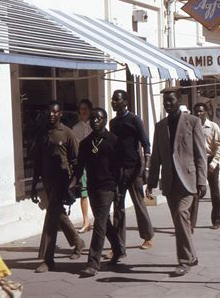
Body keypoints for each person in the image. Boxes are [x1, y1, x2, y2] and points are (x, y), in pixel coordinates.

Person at [146, 89, 207, 276]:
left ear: (178, 101)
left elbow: (200, 153)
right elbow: (156, 156)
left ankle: (184, 260)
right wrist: (151, 182)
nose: (167, 104)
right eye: (165, 101)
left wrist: (202, 181)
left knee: (182, 214)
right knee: (180, 222)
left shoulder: (193, 122)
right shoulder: (160, 126)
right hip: (170, 181)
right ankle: (192, 255)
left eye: (171, 100)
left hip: (188, 179)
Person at [30, 100, 85, 273]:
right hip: (47, 181)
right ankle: (78, 242)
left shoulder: (67, 134)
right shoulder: (42, 133)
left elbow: (77, 161)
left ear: (60, 113)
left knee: (52, 217)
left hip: (63, 180)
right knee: (58, 213)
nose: (51, 115)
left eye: (55, 112)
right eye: (49, 112)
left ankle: (48, 259)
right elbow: (37, 162)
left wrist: (75, 183)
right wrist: (33, 186)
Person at [71, 107, 124, 277]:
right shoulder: (85, 143)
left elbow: (119, 168)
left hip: (108, 187)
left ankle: (93, 263)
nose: (95, 121)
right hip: (92, 187)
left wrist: (118, 188)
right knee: (104, 222)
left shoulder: (113, 141)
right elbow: (79, 168)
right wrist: (72, 183)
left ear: (105, 120)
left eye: (98, 118)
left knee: (99, 223)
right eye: (92, 118)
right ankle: (118, 249)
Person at [110, 90, 154, 253]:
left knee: (139, 203)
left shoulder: (134, 119)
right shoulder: (113, 123)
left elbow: (145, 142)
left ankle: (147, 236)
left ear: (126, 102)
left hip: (134, 169)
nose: (114, 102)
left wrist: (146, 168)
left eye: (117, 99)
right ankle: (118, 244)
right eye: (113, 99)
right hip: (119, 171)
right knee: (118, 207)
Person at [189, 102, 220, 231]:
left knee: (215, 192)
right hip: (197, 161)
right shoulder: (192, 126)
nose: (198, 113)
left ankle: (216, 219)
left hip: (210, 160)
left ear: (206, 112)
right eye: (196, 111)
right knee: (195, 193)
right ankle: (191, 224)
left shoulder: (213, 127)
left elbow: (219, 145)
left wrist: (214, 163)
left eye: (201, 111)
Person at [72, 99, 93, 233]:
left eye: (86, 108)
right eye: (81, 108)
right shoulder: (76, 128)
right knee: (84, 192)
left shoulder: (95, 124)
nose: (83, 111)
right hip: (83, 163)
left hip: (96, 163)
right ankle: (86, 221)